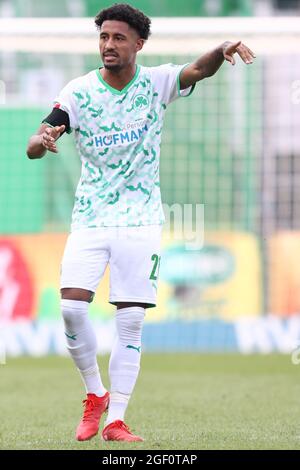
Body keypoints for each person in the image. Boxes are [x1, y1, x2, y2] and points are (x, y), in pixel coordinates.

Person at [26, 3, 255, 443]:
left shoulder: (156, 82)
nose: (108, 45)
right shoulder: (78, 92)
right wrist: (43, 140)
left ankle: (116, 420)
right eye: (103, 38)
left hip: (141, 219)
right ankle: (95, 394)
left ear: (138, 44)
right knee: (72, 308)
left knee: (130, 321)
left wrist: (220, 49)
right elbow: (38, 141)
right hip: (91, 217)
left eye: (117, 38)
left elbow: (197, 71)